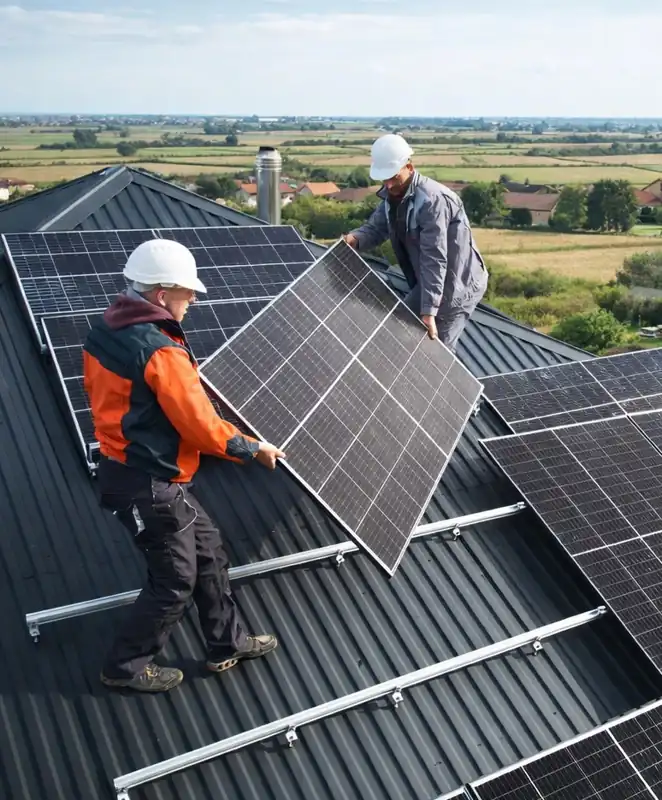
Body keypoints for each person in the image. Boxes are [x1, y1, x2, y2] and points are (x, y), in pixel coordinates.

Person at [83, 238, 285, 693]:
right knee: (174, 580)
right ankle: (125, 667)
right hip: (144, 483)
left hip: (152, 474)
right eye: (186, 291)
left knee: (209, 554)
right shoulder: (160, 352)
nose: (193, 298)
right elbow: (200, 427)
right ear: (160, 295)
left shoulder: (107, 328)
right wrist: (253, 449)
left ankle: (225, 643)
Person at [345, 133, 488, 352]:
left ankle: (442, 373)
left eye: (393, 177)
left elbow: (434, 258)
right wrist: (355, 239)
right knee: (399, 329)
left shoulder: (432, 201)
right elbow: (376, 228)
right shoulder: (393, 196)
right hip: (430, 281)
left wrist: (429, 311)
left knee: (435, 349)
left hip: (457, 284)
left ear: (409, 167)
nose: (389, 185)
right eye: (384, 179)